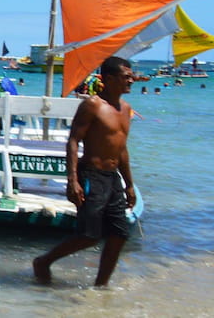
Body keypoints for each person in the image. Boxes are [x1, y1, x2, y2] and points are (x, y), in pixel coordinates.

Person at [33, 56, 138, 287]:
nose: (132, 79)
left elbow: (121, 149)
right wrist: (72, 180)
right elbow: (73, 141)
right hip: (91, 174)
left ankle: (100, 287)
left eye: (132, 75)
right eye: (126, 76)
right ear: (109, 79)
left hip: (113, 178)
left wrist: (129, 184)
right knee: (89, 234)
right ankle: (43, 261)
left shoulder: (126, 109)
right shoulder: (92, 105)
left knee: (120, 234)